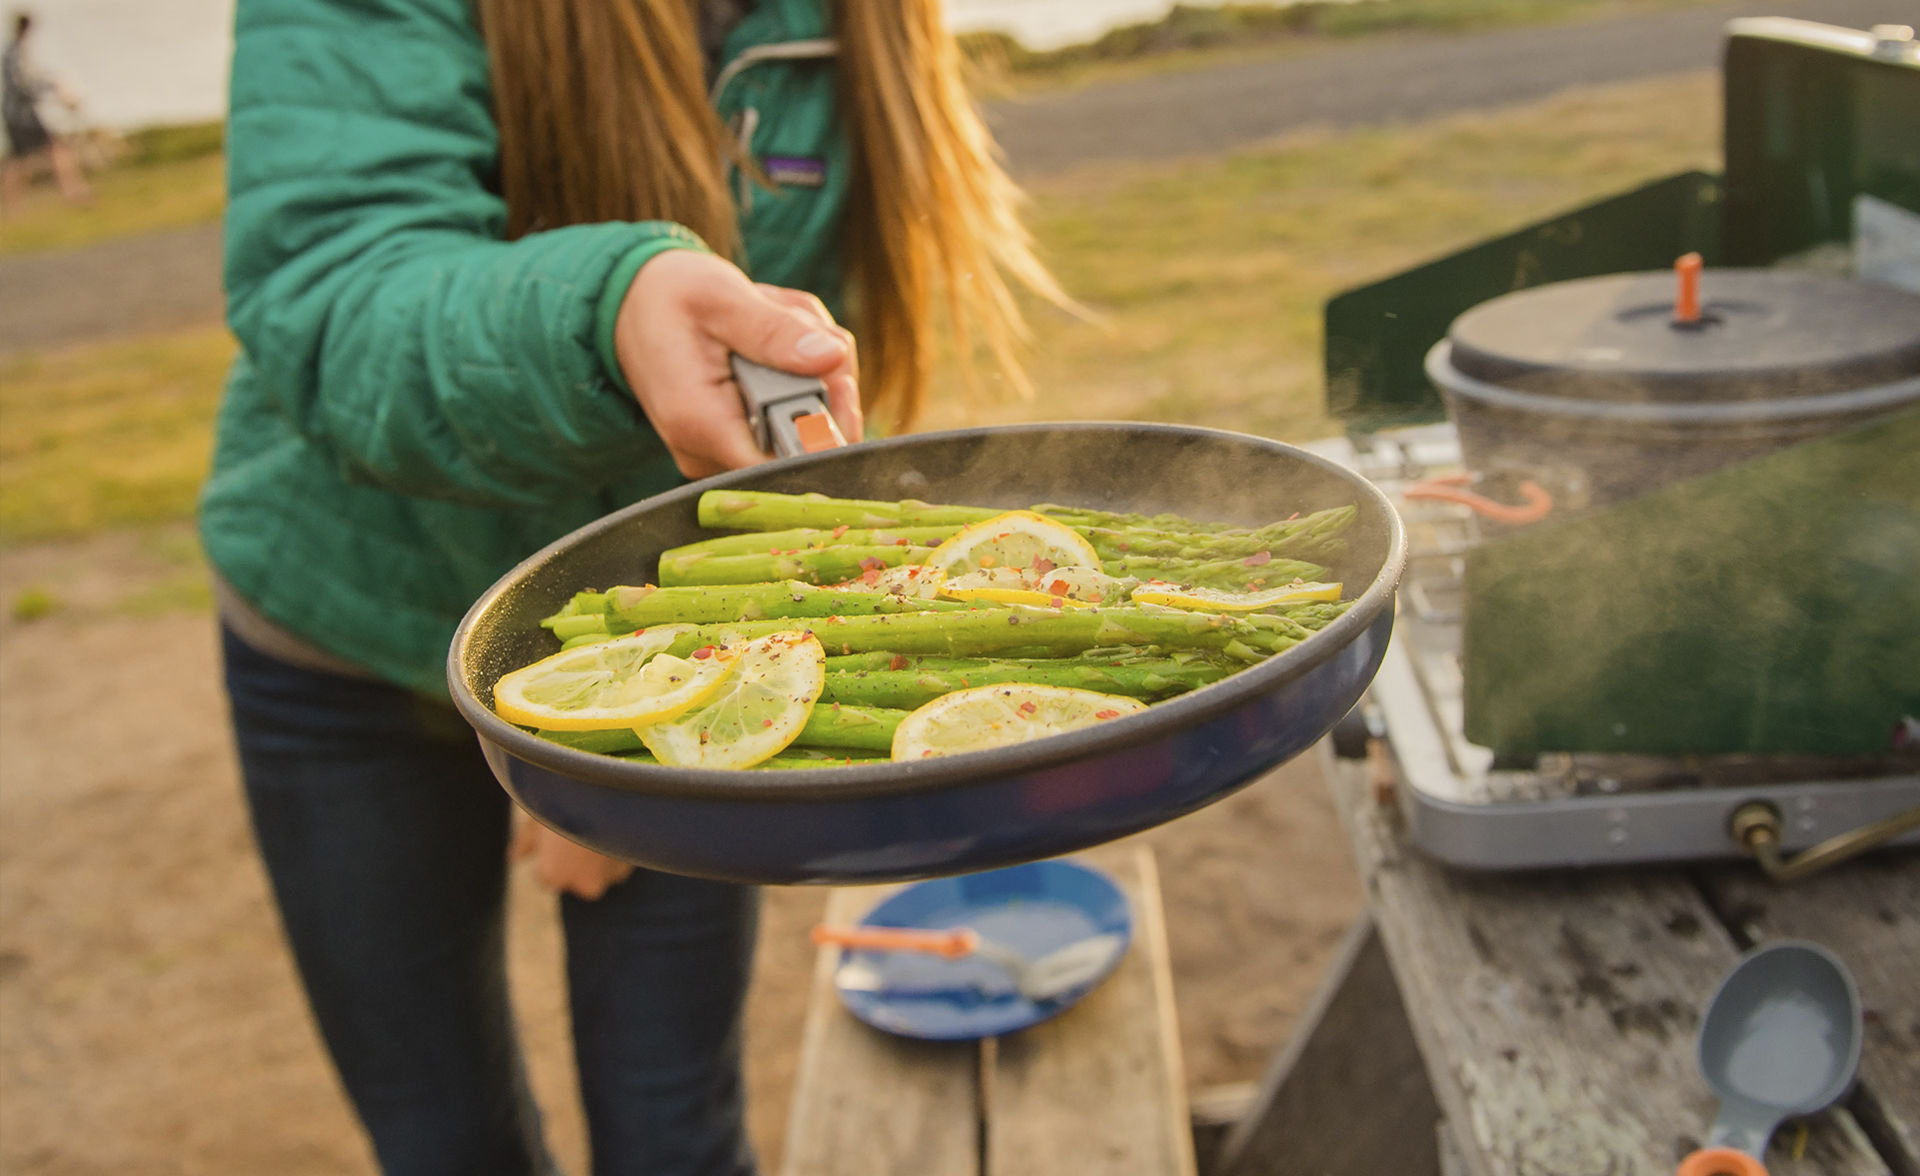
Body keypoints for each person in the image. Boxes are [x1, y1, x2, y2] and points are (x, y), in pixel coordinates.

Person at [202, 1, 1066, 1173]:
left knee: (675, 1131)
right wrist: (608, 307)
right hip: (346, 631)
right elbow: (335, 286)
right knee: (445, 1141)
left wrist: (616, 730)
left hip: (676, 635)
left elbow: (792, 389)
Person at [1, 10, 92, 208]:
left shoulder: (18, 50)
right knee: (55, 149)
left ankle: (11, 204)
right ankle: (73, 191)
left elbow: (33, 78)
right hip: (22, 117)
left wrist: (53, 84)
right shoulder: (15, 52)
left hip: (19, 116)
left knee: (18, 159)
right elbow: (23, 84)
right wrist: (55, 88)